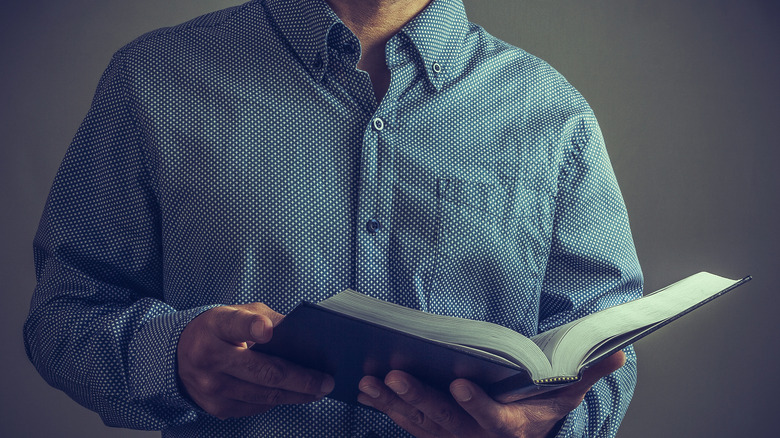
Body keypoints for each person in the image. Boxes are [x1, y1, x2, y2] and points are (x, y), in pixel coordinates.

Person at [23, 0, 643, 436]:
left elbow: (601, 346)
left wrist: (552, 425)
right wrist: (173, 357)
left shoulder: (552, 110)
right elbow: (63, 315)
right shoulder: (152, 79)